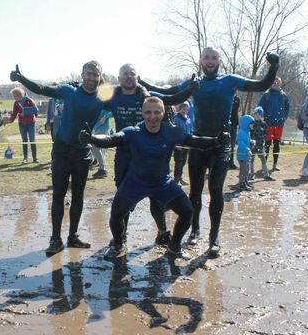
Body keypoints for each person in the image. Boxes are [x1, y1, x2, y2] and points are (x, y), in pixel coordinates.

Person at [79, 96, 229, 259]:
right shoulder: (133, 131)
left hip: (162, 183)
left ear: (163, 112)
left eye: (157, 112)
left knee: (187, 212)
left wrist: (217, 140)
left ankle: (174, 246)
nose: (152, 116)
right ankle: (117, 244)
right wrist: (91, 138)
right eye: (148, 112)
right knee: (116, 214)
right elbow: (111, 139)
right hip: (135, 183)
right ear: (142, 113)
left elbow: (194, 141)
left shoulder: (170, 132)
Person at [172, 47, 279, 256]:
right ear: (201, 61)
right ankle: (194, 231)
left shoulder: (230, 80)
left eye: (214, 57)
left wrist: (273, 67)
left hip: (221, 144)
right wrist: (142, 86)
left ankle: (214, 237)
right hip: (198, 143)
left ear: (219, 61)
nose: (210, 61)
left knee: (215, 189)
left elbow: (261, 85)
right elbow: (168, 93)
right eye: (206, 57)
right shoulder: (195, 84)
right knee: (194, 191)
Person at [10, 61, 105, 256]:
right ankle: (55, 239)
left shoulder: (103, 97)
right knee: (59, 195)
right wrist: (22, 78)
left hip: (82, 152)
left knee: (78, 195)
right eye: (88, 73)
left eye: (95, 74)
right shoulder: (69, 91)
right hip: (62, 150)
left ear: (100, 77)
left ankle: (73, 236)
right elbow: (42, 89)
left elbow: (130, 98)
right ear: (82, 74)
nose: (91, 77)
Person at [106, 64, 198, 246]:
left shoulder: (147, 96)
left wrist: (190, 89)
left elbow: (172, 97)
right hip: (125, 153)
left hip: (152, 148)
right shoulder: (113, 97)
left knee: (157, 194)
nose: (128, 77)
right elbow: (94, 98)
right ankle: (121, 238)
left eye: (132, 74)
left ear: (137, 77)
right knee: (123, 199)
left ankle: (162, 232)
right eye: (125, 74)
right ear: (119, 78)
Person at [258, 76, 290, 171]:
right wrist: (264, 119)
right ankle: (265, 165)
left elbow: (287, 108)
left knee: (277, 144)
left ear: (280, 83)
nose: (276, 83)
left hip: (279, 124)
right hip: (268, 124)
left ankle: (275, 165)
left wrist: (283, 118)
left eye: (278, 82)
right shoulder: (266, 95)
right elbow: (260, 108)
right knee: (267, 144)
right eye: (274, 82)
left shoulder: (283, 95)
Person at [4, 87, 39, 163]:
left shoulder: (29, 100)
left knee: (32, 140)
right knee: (24, 140)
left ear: (18, 95)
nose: (13, 97)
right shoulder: (16, 103)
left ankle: (35, 158)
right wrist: (9, 120)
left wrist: (25, 112)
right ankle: (25, 158)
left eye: (14, 96)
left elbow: (36, 109)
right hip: (22, 124)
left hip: (31, 123)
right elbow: (14, 114)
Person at [249, 106, 274, 181]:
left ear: (261, 115)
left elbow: (266, 134)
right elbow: (248, 133)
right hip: (252, 145)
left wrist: (264, 139)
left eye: (258, 114)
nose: (257, 116)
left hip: (260, 145)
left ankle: (266, 175)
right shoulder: (251, 123)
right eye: (255, 114)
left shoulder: (264, 124)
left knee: (263, 159)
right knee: (251, 160)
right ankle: (251, 175)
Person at [173, 101, 192, 185]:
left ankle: (180, 177)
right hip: (179, 145)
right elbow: (175, 132)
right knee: (178, 162)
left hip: (186, 144)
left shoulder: (188, 118)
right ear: (180, 108)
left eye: (187, 109)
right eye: (184, 109)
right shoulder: (176, 118)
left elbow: (190, 130)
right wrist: (177, 144)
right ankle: (176, 179)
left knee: (184, 161)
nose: (185, 111)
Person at [90, 109, 112, 179]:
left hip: (103, 129)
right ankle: (101, 167)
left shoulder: (106, 102)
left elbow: (113, 112)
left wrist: (106, 116)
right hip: (96, 128)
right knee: (95, 147)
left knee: (97, 147)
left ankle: (103, 169)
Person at [236, 114, 255, 191]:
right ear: (246, 124)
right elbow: (240, 143)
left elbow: (246, 141)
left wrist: (251, 142)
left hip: (246, 155)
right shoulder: (242, 132)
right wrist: (247, 149)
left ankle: (246, 182)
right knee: (243, 170)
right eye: (251, 124)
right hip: (242, 155)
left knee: (247, 169)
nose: (252, 126)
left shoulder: (247, 132)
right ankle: (241, 184)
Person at [229, 94, 240, 170]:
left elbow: (235, 109)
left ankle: (231, 162)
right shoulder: (225, 96)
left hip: (234, 123)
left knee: (232, 145)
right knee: (225, 145)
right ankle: (223, 162)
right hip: (226, 123)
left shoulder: (237, 98)